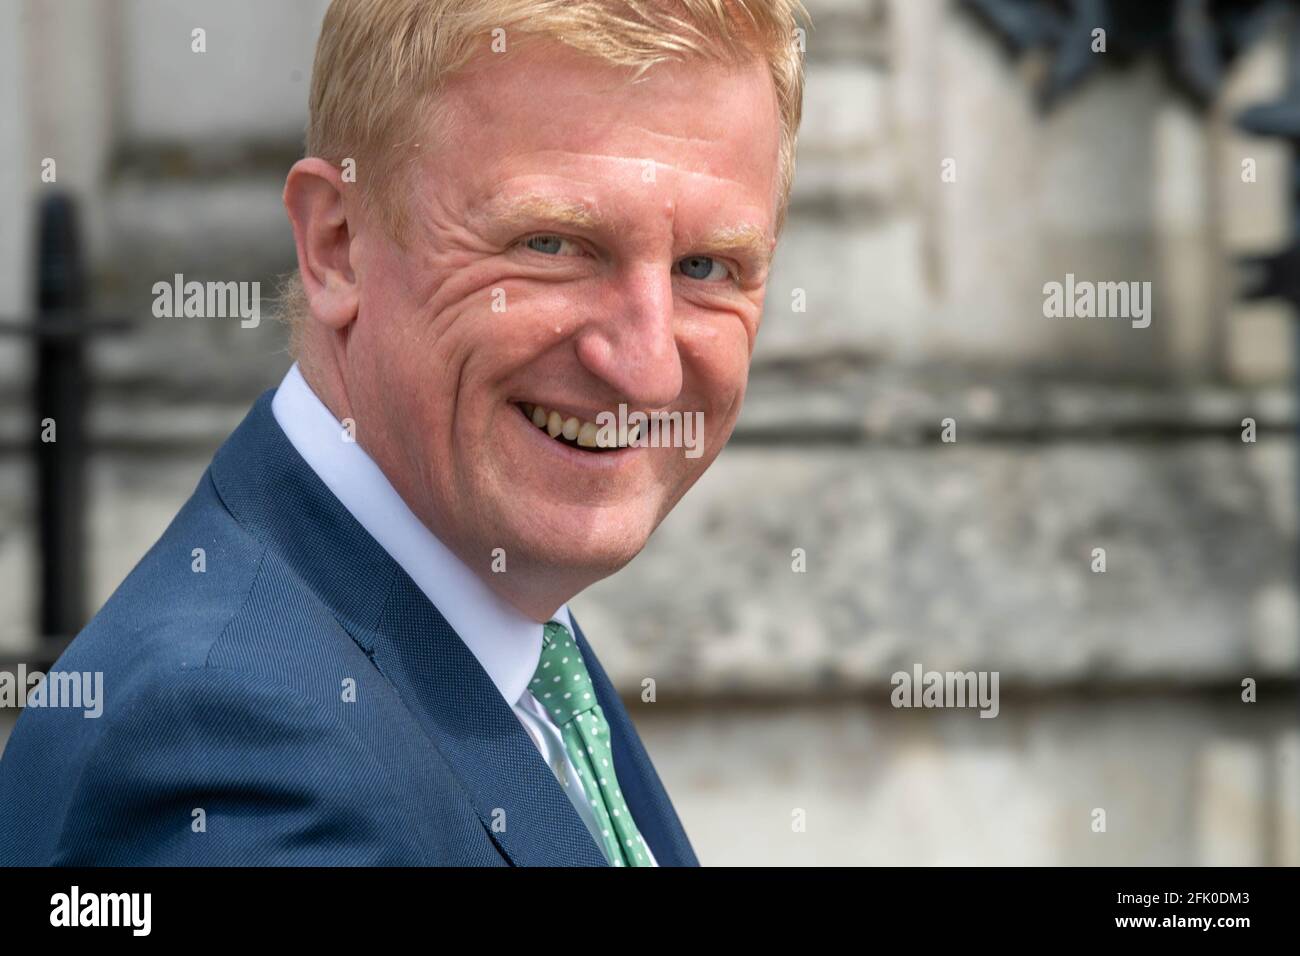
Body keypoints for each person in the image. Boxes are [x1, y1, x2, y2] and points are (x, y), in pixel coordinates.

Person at [0, 0, 807, 866]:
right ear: (335, 246)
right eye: (552, 244)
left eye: (705, 268)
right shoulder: (231, 760)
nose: (646, 368)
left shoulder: (503, 641)